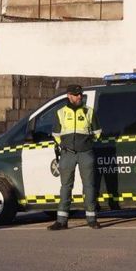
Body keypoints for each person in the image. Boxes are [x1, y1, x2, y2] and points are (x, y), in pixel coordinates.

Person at [48, 84, 102, 230]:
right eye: (76, 94)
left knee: (89, 186)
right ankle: (61, 220)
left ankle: (92, 218)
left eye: (80, 94)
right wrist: (65, 147)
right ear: (69, 96)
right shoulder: (61, 113)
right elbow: (56, 135)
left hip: (86, 153)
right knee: (66, 187)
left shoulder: (88, 112)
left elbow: (97, 133)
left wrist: (87, 144)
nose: (79, 97)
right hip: (68, 154)